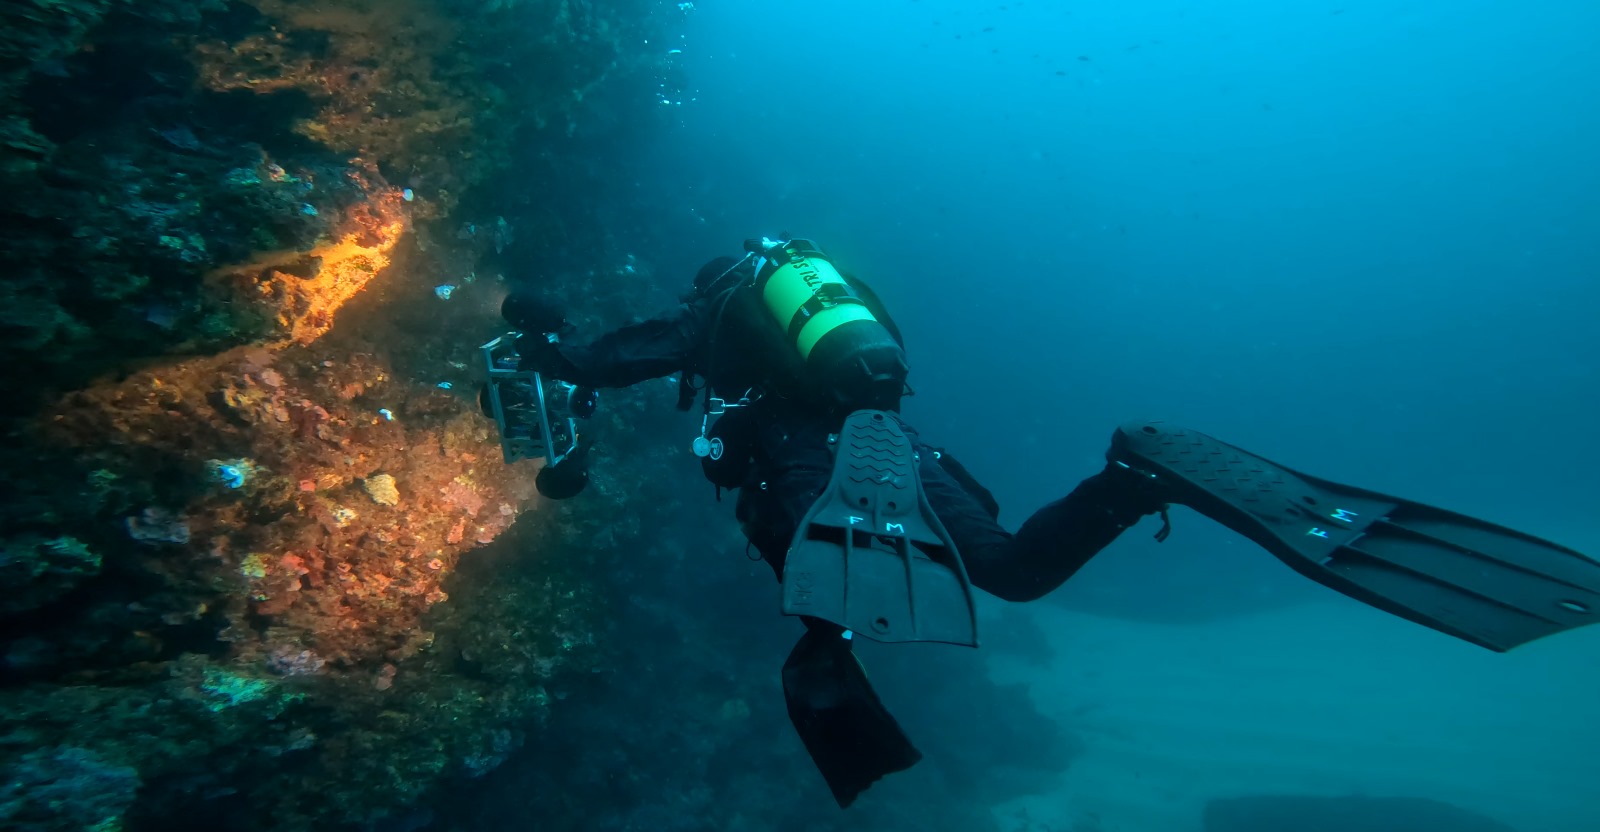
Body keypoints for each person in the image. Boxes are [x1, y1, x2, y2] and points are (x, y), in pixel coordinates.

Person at [505, 237, 1600, 807]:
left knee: (813, 563)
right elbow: (891, 364)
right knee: (1014, 569)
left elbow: (605, 360)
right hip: (903, 441)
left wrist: (550, 348)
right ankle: (1134, 479)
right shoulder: (837, 298)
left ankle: (830, 631)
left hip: (800, 455)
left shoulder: (712, 314)